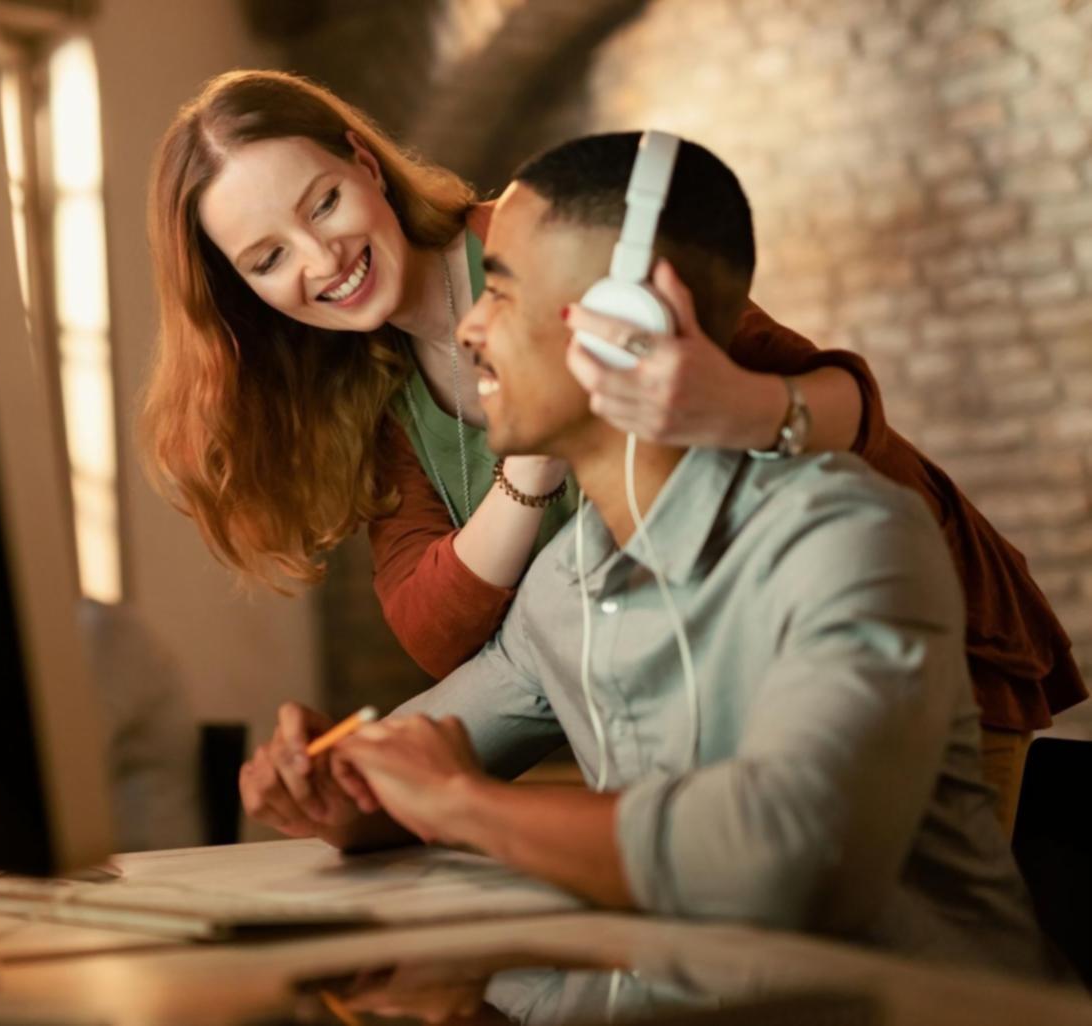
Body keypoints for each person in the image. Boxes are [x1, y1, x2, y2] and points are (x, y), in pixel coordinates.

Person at [142, 71, 1084, 830]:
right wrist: (528, 475)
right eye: (267, 258)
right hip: (721, 719)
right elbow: (441, 632)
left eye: (322, 203)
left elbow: (845, 405)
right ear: (240, 290)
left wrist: (734, 403)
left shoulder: (551, 241)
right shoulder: (371, 385)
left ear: (363, 163)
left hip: (905, 646)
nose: (319, 261)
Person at [238, 133, 1062, 979]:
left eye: (503, 290)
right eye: (265, 257)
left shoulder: (844, 539)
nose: (469, 328)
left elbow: (786, 856)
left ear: (628, 324)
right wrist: (330, 786)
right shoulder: (566, 589)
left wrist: (461, 805)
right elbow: (423, 751)